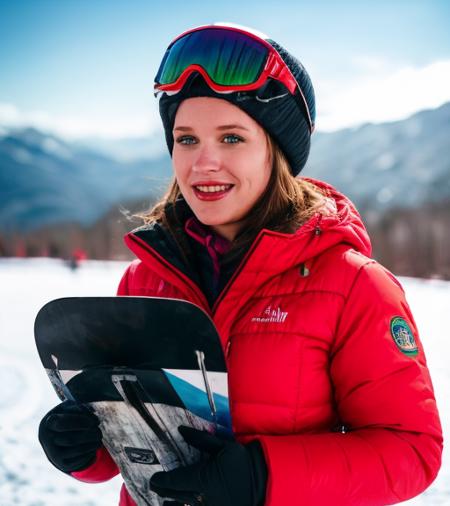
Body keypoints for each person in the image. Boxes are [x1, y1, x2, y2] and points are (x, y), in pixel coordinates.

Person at [38, 22, 443, 506]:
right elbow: (128, 442)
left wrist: (264, 475)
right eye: (186, 139)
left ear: (276, 153)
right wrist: (84, 448)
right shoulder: (145, 280)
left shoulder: (352, 284)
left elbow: (411, 451)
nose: (202, 163)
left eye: (231, 138)